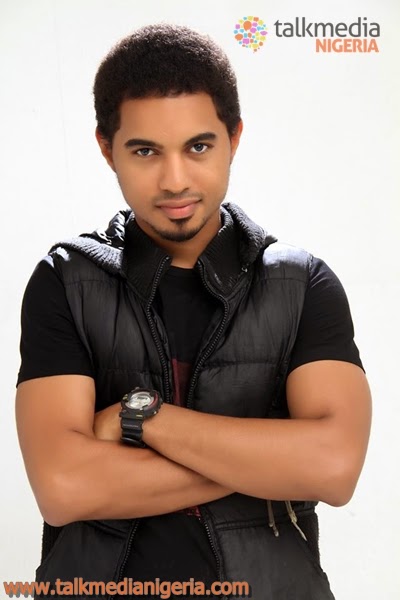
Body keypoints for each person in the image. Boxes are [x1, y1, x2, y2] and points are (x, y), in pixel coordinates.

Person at [16, 23, 371, 600]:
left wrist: (139, 418)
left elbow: (333, 469)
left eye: (198, 147)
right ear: (107, 149)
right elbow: (64, 487)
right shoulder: (67, 281)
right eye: (145, 151)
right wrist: (269, 461)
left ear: (234, 137)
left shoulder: (302, 284)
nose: (175, 180)